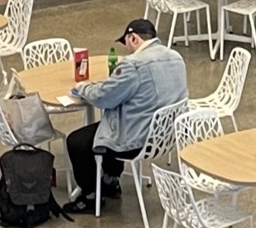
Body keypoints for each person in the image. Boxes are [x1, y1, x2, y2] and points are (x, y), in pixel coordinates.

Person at [62, 17, 189, 213]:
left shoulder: (133, 65)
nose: (126, 49)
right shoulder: (175, 57)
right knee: (106, 127)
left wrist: (83, 87)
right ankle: (111, 179)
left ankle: (90, 196)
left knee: (77, 141)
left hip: (137, 139)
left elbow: (104, 98)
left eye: (126, 43)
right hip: (166, 136)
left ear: (133, 38)